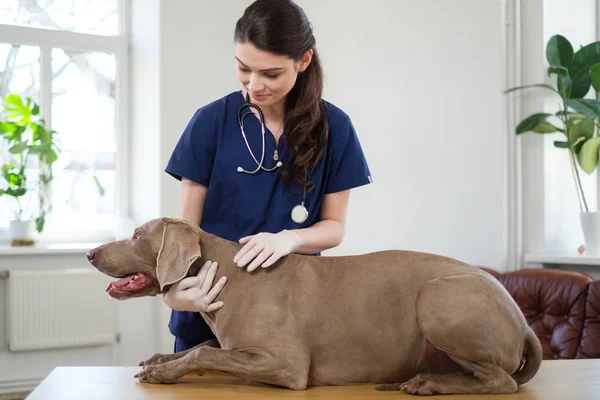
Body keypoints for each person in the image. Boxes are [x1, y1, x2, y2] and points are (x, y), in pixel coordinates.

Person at [163, 0, 373, 353]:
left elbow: (334, 227)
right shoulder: (210, 122)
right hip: (211, 307)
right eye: (244, 68)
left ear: (303, 61)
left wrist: (290, 239)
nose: (254, 84)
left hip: (289, 314)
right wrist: (172, 291)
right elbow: (186, 229)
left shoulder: (335, 129)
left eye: (270, 73)